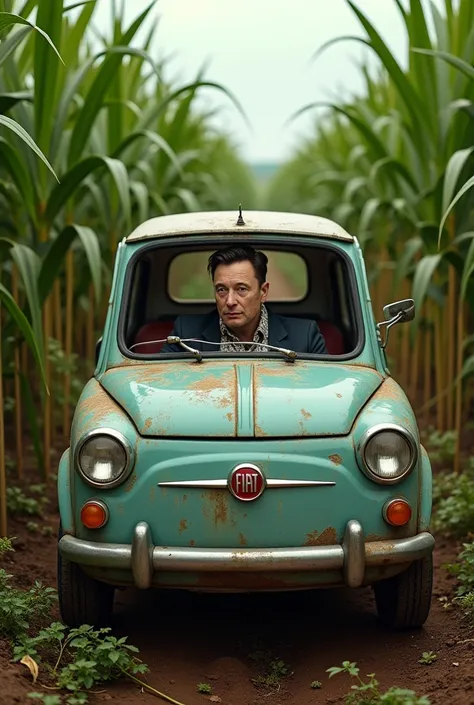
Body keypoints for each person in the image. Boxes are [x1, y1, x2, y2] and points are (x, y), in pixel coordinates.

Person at [161, 245, 327, 354]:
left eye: (241, 289)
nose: (230, 301)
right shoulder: (186, 333)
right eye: (221, 290)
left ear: (263, 292)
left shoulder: (305, 337)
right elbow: (160, 385)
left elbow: (324, 395)